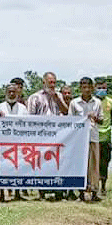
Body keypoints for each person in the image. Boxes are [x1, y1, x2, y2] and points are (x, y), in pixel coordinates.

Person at [27, 71, 68, 200]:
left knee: (58, 162)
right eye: (50, 82)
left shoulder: (59, 96)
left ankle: (58, 190)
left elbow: (67, 112)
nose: (52, 85)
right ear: (43, 82)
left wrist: (57, 98)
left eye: (54, 82)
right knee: (42, 162)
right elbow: (30, 118)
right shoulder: (35, 97)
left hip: (58, 136)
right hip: (41, 136)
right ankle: (43, 191)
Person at [69, 77, 103, 202]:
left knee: (93, 166)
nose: (87, 90)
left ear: (92, 88)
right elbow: (70, 121)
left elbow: (102, 120)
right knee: (80, 165)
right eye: (84, 87)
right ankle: (82, 192)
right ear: (80, 88)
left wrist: (95, 117)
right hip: (79, 139)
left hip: (93, 136)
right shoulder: (74, 103)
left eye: (89, 87)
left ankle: (94, 192)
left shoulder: (97, 102)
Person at [0, 77, 28, 202]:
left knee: (18, 167)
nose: (12, 94)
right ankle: (2, 192)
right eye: (9, 91)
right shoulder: (0, 107)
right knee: (3, 168)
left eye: (14, 91)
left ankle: (17, 192)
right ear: (6, 93)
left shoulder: (23, 108)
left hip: (18, 143)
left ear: (17, 93)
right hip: (3, 143)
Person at [94, 77, 112, 195]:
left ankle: (103, 187)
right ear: (95, 88)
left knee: (104, 163)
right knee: (93, 163)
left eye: (103, 88)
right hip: (93, 137)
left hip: (106, 137)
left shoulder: (111, 102)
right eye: (99, 87)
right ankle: (93, 186)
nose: (101, 90)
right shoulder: (92, 101)